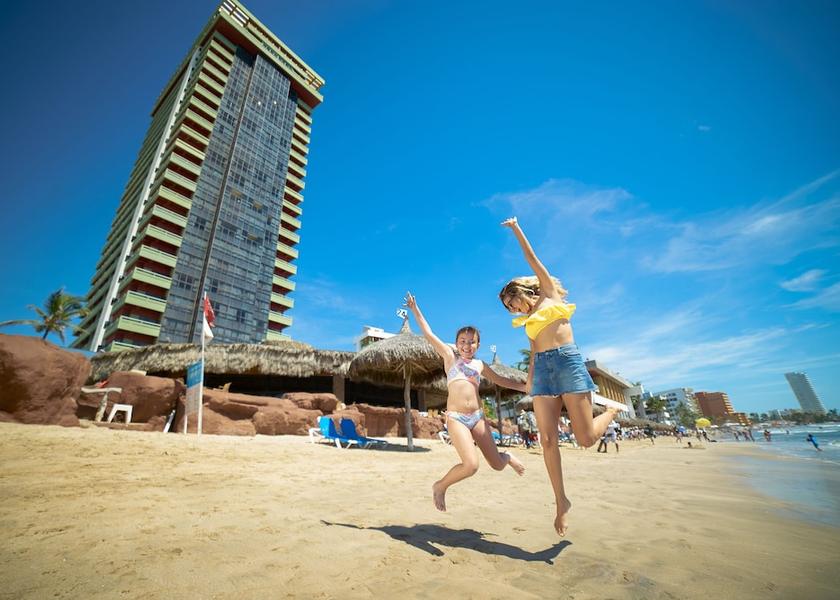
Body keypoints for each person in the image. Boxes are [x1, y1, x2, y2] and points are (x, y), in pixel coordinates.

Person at [498, 216, 622, 535]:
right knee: (548, 440)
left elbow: (532, 258)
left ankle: (609, 413)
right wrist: (530, 380)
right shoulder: (527, 322)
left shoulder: (550, 295)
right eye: (510, 309)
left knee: (586, 439)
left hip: (568, 362)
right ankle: (560, 501)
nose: (515, 310)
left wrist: (516, 229)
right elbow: (534, 351)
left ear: (523, 291)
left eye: (514, 302)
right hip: (543, 372)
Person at [404, 292, 526, 512]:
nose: (467, 345)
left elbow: (501, 380)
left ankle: (507, 457)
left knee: (497, 465)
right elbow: (428, 333)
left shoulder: (480, 365)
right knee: (471, 465)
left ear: (478, 345)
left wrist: (525, 388)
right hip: (457, 418)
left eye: (472, 342)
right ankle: (440, 486)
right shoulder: (450, 358)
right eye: (462, 341)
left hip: (478, 417)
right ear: (456, 343)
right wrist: (414, 309)